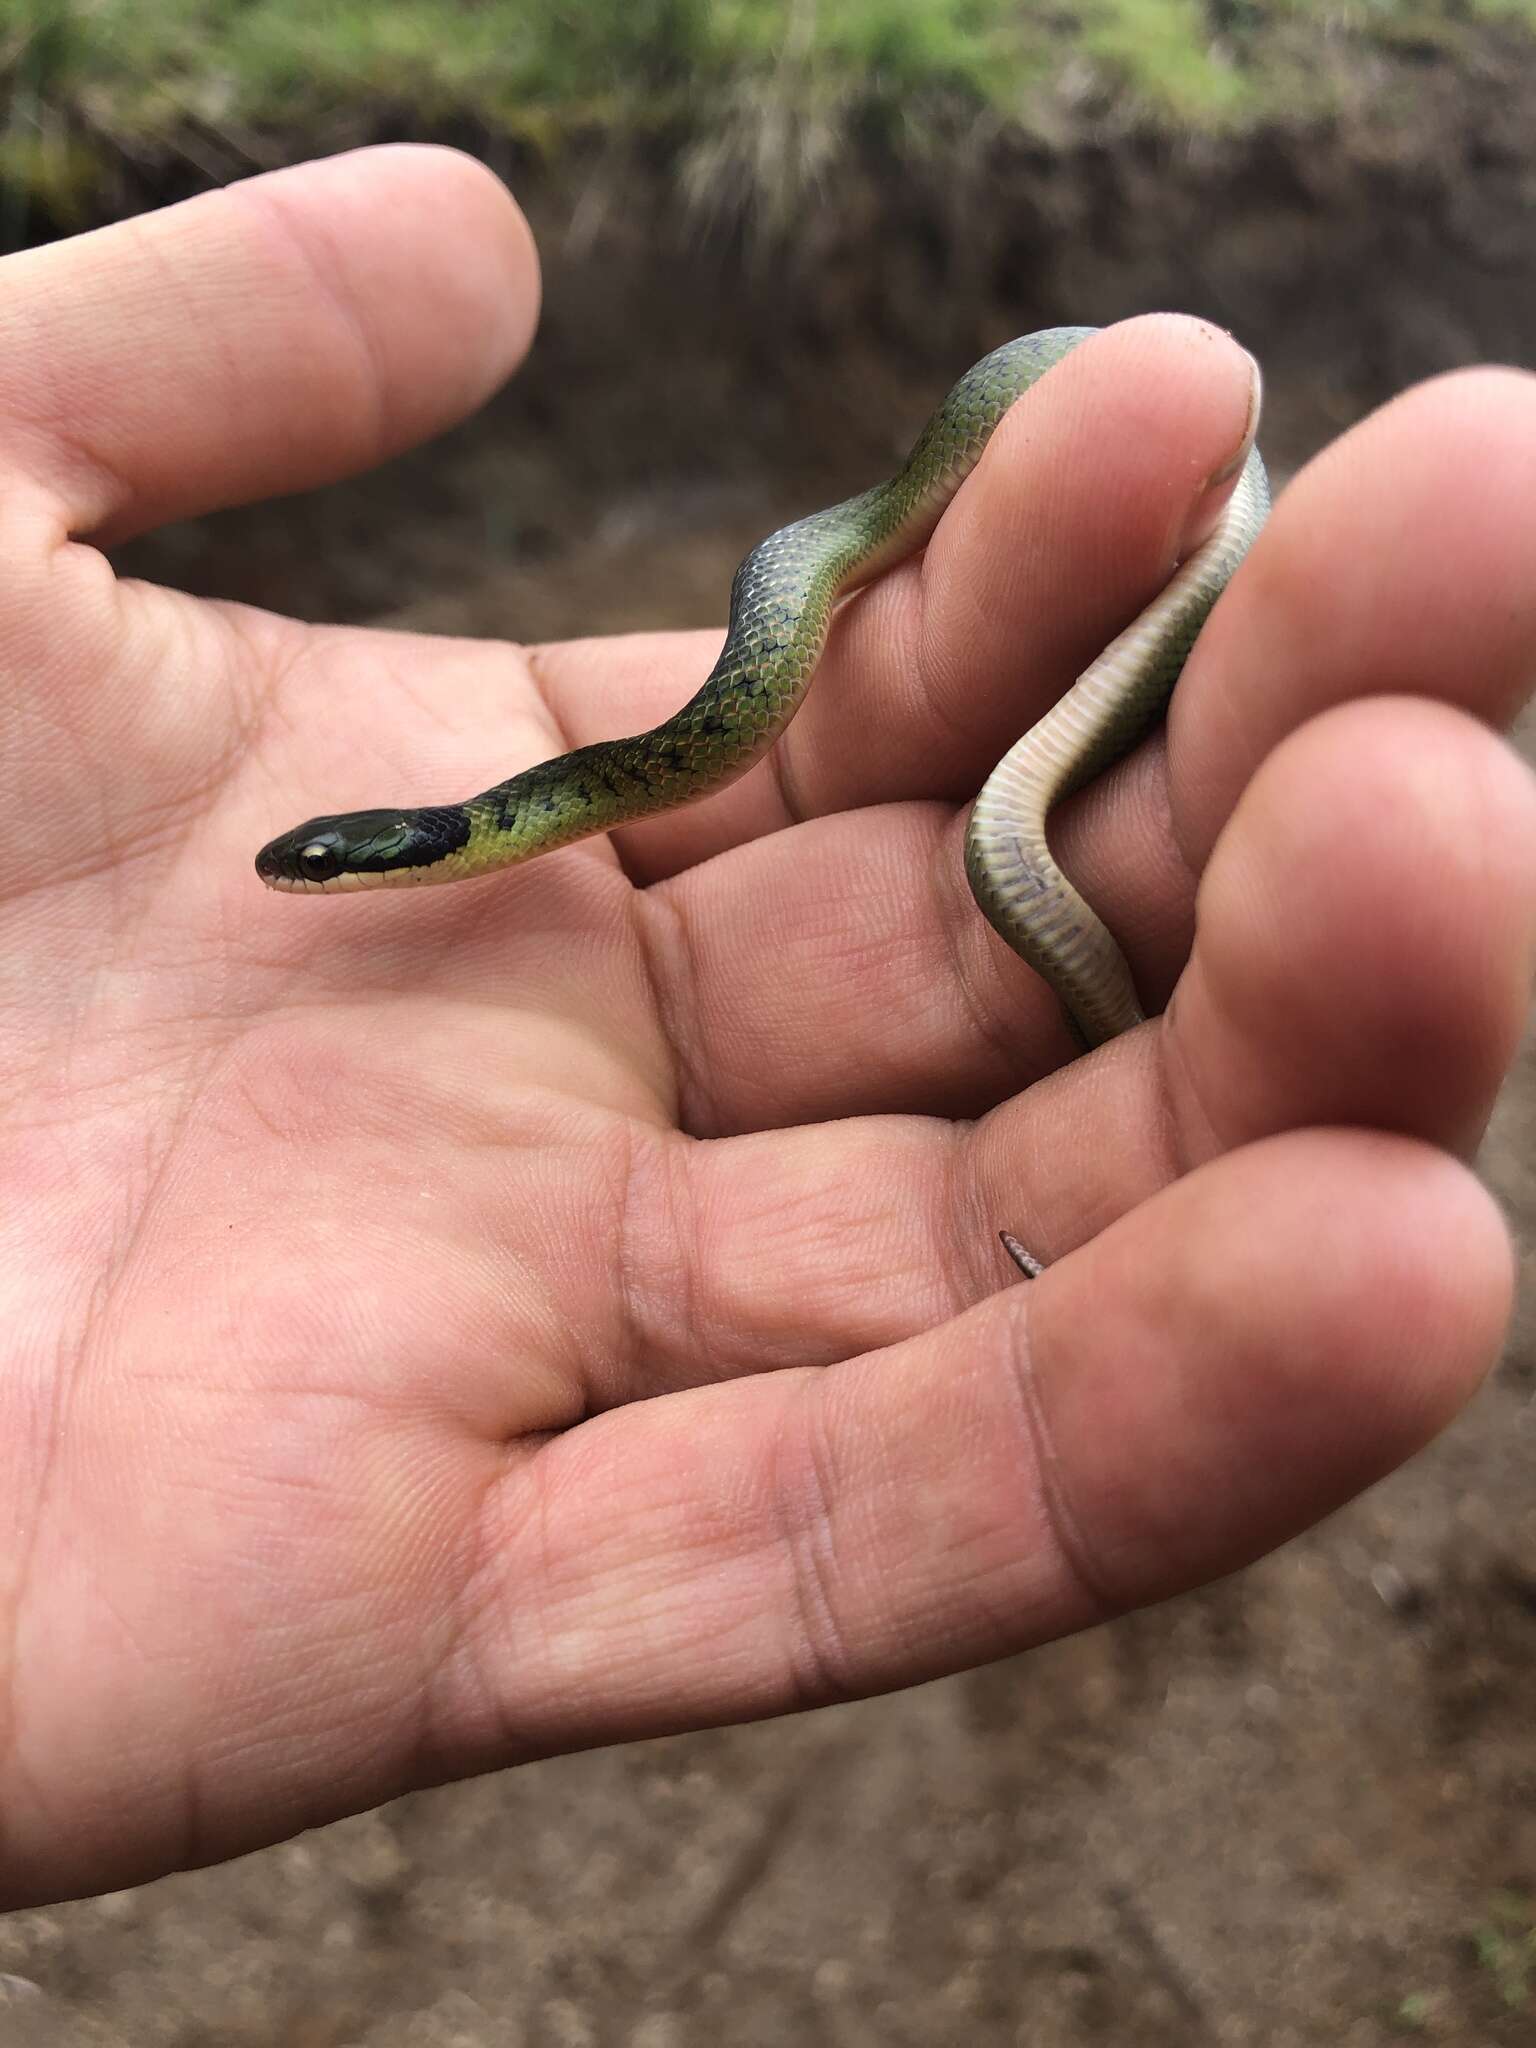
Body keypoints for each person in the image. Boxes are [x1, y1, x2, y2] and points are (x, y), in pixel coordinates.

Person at [0, 144, 1529, 1911]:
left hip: (881, 546)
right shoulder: (534, 815)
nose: (322, 878)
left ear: (423, 843)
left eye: (332, 867)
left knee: (1146, 527)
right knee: (1010, 836)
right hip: (631, 751)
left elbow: (713, 702)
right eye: (331, 869)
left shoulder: (598, 768)